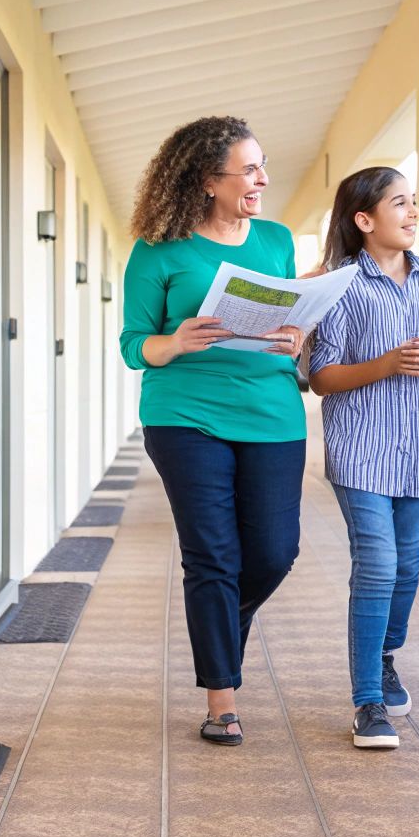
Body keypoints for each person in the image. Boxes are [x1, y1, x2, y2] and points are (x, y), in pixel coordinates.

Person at [119, 116, 306, 747]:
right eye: (248, 170)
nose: (263, 179)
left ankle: (222, 620)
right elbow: (132, 344)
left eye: (261, 166)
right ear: (206, 180)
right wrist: (171, 342)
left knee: (276, 551)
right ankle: (221, 698)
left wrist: (294, 338)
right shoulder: (158, 249)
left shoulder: (277, 239)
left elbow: (290, 317)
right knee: (213, 556)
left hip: (272, 412)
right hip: (185, 415)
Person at [308, 167, 419, 749]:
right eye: (398, 203)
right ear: (364, 219)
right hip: (362, 445)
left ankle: (386, 655)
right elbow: (321, 376)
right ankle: (367, 701)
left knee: (408, 565)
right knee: (376, 564)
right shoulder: (340, 285)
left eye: (413, 203)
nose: (411, 212)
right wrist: (386, 363)